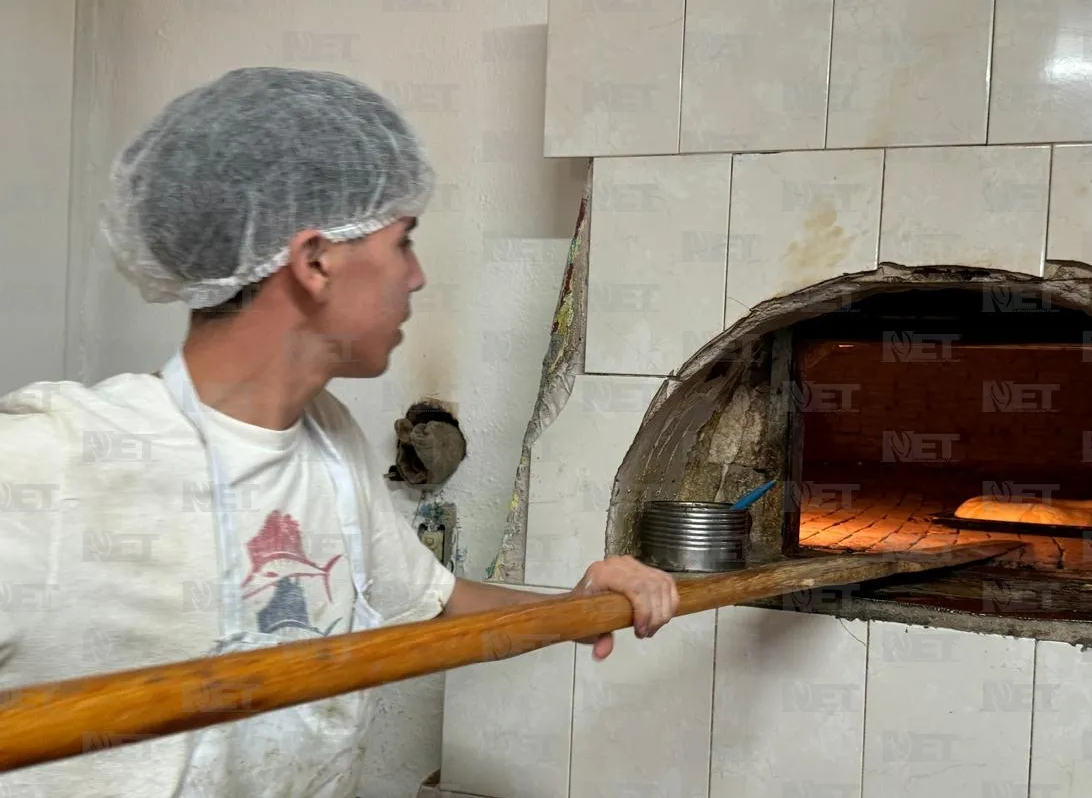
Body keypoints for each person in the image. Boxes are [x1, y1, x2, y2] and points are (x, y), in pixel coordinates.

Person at [0, 67, 679, 797]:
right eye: (404, 241)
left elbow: (439, 606)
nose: (416, 277)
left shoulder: (328, 444)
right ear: (316, 261)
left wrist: (579, 606)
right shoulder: (58, 461)